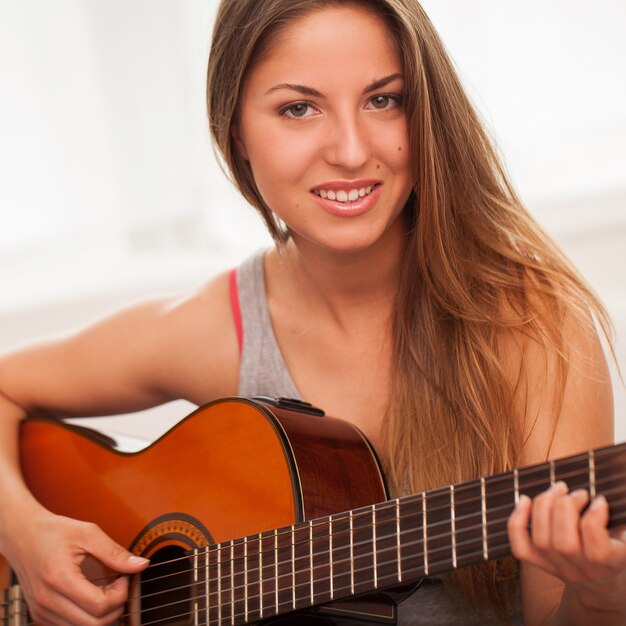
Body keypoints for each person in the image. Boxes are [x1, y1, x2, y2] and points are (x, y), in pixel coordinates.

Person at [0, 0, 624, 624]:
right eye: (298, 108)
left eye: (384, 99)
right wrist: (27, 538)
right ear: (237, 130)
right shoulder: (220, 327)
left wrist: (601, 592)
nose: (351, 152)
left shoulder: (533, 327)